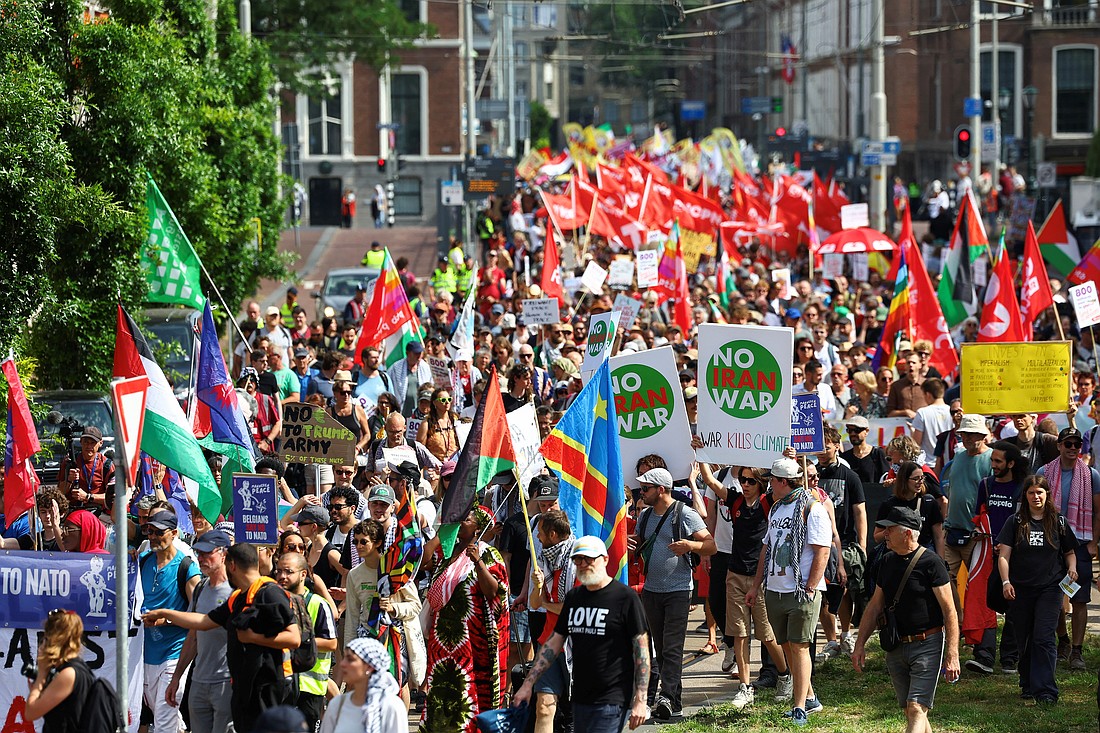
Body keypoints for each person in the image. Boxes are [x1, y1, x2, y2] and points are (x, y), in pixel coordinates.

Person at [143, 543, 302, 733]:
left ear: (232, 565)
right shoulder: (237, 597)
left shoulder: (270, 593)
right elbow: (203, 621)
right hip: (244, 686)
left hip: (268, 686)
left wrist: (253, 637)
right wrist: (165, 613)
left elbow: (294, 638)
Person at [514, 536, 650, 732]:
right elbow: (553, 642)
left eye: (589, 559)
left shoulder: (624, 598)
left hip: (612, 697)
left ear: (604, 559)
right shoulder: (575, 598)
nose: (583, 564)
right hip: (581, 697)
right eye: (578, 560)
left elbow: (642, 651)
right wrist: (528, 684)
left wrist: (640, 699)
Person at [852, 507, 961, 733]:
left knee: (916, 708)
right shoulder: (887, 561)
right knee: (911, 710)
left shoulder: (932, 563)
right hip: (896, 645)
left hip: (927, 644)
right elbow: (875, 605)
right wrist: (859, 644)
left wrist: (952, 654)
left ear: (908, 533)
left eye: (890, 529)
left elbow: (950, 611)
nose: (884, 534)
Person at [746, 458, 831, 727]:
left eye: (772, 479)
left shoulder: (812, 508)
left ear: (783, 482)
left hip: (800, 590)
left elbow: (822, 550)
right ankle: (811, 698)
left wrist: (810, 586)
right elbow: (766, 548)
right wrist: (756, 584)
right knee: (785, 644)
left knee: (800, 646)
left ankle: (799, 706)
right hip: (775, 589)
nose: (769, 484)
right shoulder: (776, 509)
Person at [633, 466, 716, 721]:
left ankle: (666, 697)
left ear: (661, 490)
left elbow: (711, 545)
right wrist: (628, 541)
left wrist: (689, 545)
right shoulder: (645, 516)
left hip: (678, 590)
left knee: (672, 647)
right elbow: (640, 542)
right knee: (659, 647)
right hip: (651, 591)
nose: (642, 492)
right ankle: (672, 701)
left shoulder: (684, 513)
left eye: (646, 488)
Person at [421, 505, 509, 732]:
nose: (460, 522)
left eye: (466, 519)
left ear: (478, 527)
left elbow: (495, 592)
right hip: (442, 639)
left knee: (468, 689)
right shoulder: (447, 552)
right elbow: (422, 562)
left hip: (472, 638)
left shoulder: (490, 554)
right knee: (442, 689)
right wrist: (440, 537)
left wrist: (478, 561)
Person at [996, 475, 1078, 704]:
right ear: (1025, 496)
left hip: (1050, 589)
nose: (1036, 497)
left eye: (1040, 492)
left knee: (1043, 638)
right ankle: (1028, 684)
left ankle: (1046, 691)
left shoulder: (1058, 521)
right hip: (1020, 588)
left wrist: (1072, 569)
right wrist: (1006, 582)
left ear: (1047, 495)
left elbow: (1070, 552)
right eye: (1031, 492)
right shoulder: (1014, 522)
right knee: (1024, 638)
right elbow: (1004, 556)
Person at [723, 466, 790, 712]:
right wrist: (700, 453)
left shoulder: (767, 502)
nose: (746, 484)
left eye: (751, 480)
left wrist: (788, 458)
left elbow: (787, 487)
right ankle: (744, 686)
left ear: (761, 483)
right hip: (735, 574)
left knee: (766, 634)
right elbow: (709, 481)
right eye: (742, 479)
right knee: (739, 633)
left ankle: (784, 675)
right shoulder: (735, 500)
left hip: (760, 577)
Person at [1039, 427, 1100, 671]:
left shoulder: (1091, 475)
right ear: (1059, 446)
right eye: (1068, 444)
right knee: (1052, 596)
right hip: (1052, 542)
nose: (1073, 448)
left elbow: (1098, 512)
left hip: (1082, 543)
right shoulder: (1044, 472)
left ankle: (1076, 650)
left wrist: (1095, 542)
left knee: (1080, 597)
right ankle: (1062, 640)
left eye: (1077, 444)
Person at [167, 530, 234, 733]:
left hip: (227, 683)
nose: (202, 559)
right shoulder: (201, 588)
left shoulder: (237, 590)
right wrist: (177, 677)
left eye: (207, 553)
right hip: (199, 681)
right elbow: (193, 636)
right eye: (199, 554)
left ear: (224, 554)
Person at [140, 511, 201, 733]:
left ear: (174, 533)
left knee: (164, 720)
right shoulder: (142, 562)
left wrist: (164, 619)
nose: (153, 537)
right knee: (165, 716)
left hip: (173, 655)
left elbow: (198, 619)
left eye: (159, 532)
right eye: (149, 531)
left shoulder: (187, 569)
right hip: (145, 655)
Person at [275, 553, 338, 730]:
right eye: (279, 571)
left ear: (303, 574)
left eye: (288, 571)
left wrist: (297, 642)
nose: (282, 576)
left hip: (310, 688)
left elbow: (332, 644)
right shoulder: (272, 600)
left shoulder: (318, 604)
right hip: (281, 683)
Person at [23, 609, 92, 733]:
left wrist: (41, 677)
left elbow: (30, 713)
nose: (43, 643)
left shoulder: (69, 674)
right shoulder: (76, 669)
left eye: (46, 638)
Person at [321, 638, 408, 733]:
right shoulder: (337, 705)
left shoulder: (391, 706)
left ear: (369, 666)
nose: (342, 664)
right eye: (344, 658)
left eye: (350, 659)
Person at [57, 425, 114, 511]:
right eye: (86, 442)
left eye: (92, 443)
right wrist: (69, 480)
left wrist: (88, 497)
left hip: (98, 512)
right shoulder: (70, 462)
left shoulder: (106, 465)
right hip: (73, 511)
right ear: (80, 442)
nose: (89, 446)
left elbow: (113, 498)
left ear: (100, 443)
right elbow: (60, 493)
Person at [388, 341, 433, 418]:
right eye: (416, 353)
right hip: (402, 411)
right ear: (407, 353)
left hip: (422, 411)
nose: (419, 356)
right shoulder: (396, 368)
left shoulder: (426, 368)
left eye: (420, 353)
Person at [416, 387, 459, 463]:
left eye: (449, 399)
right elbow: (420, 451)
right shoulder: (426, 423)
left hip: (455, 466)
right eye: (443, 400)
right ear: (434, 403)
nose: (447, 402)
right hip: (434, 467)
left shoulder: (455, 420)